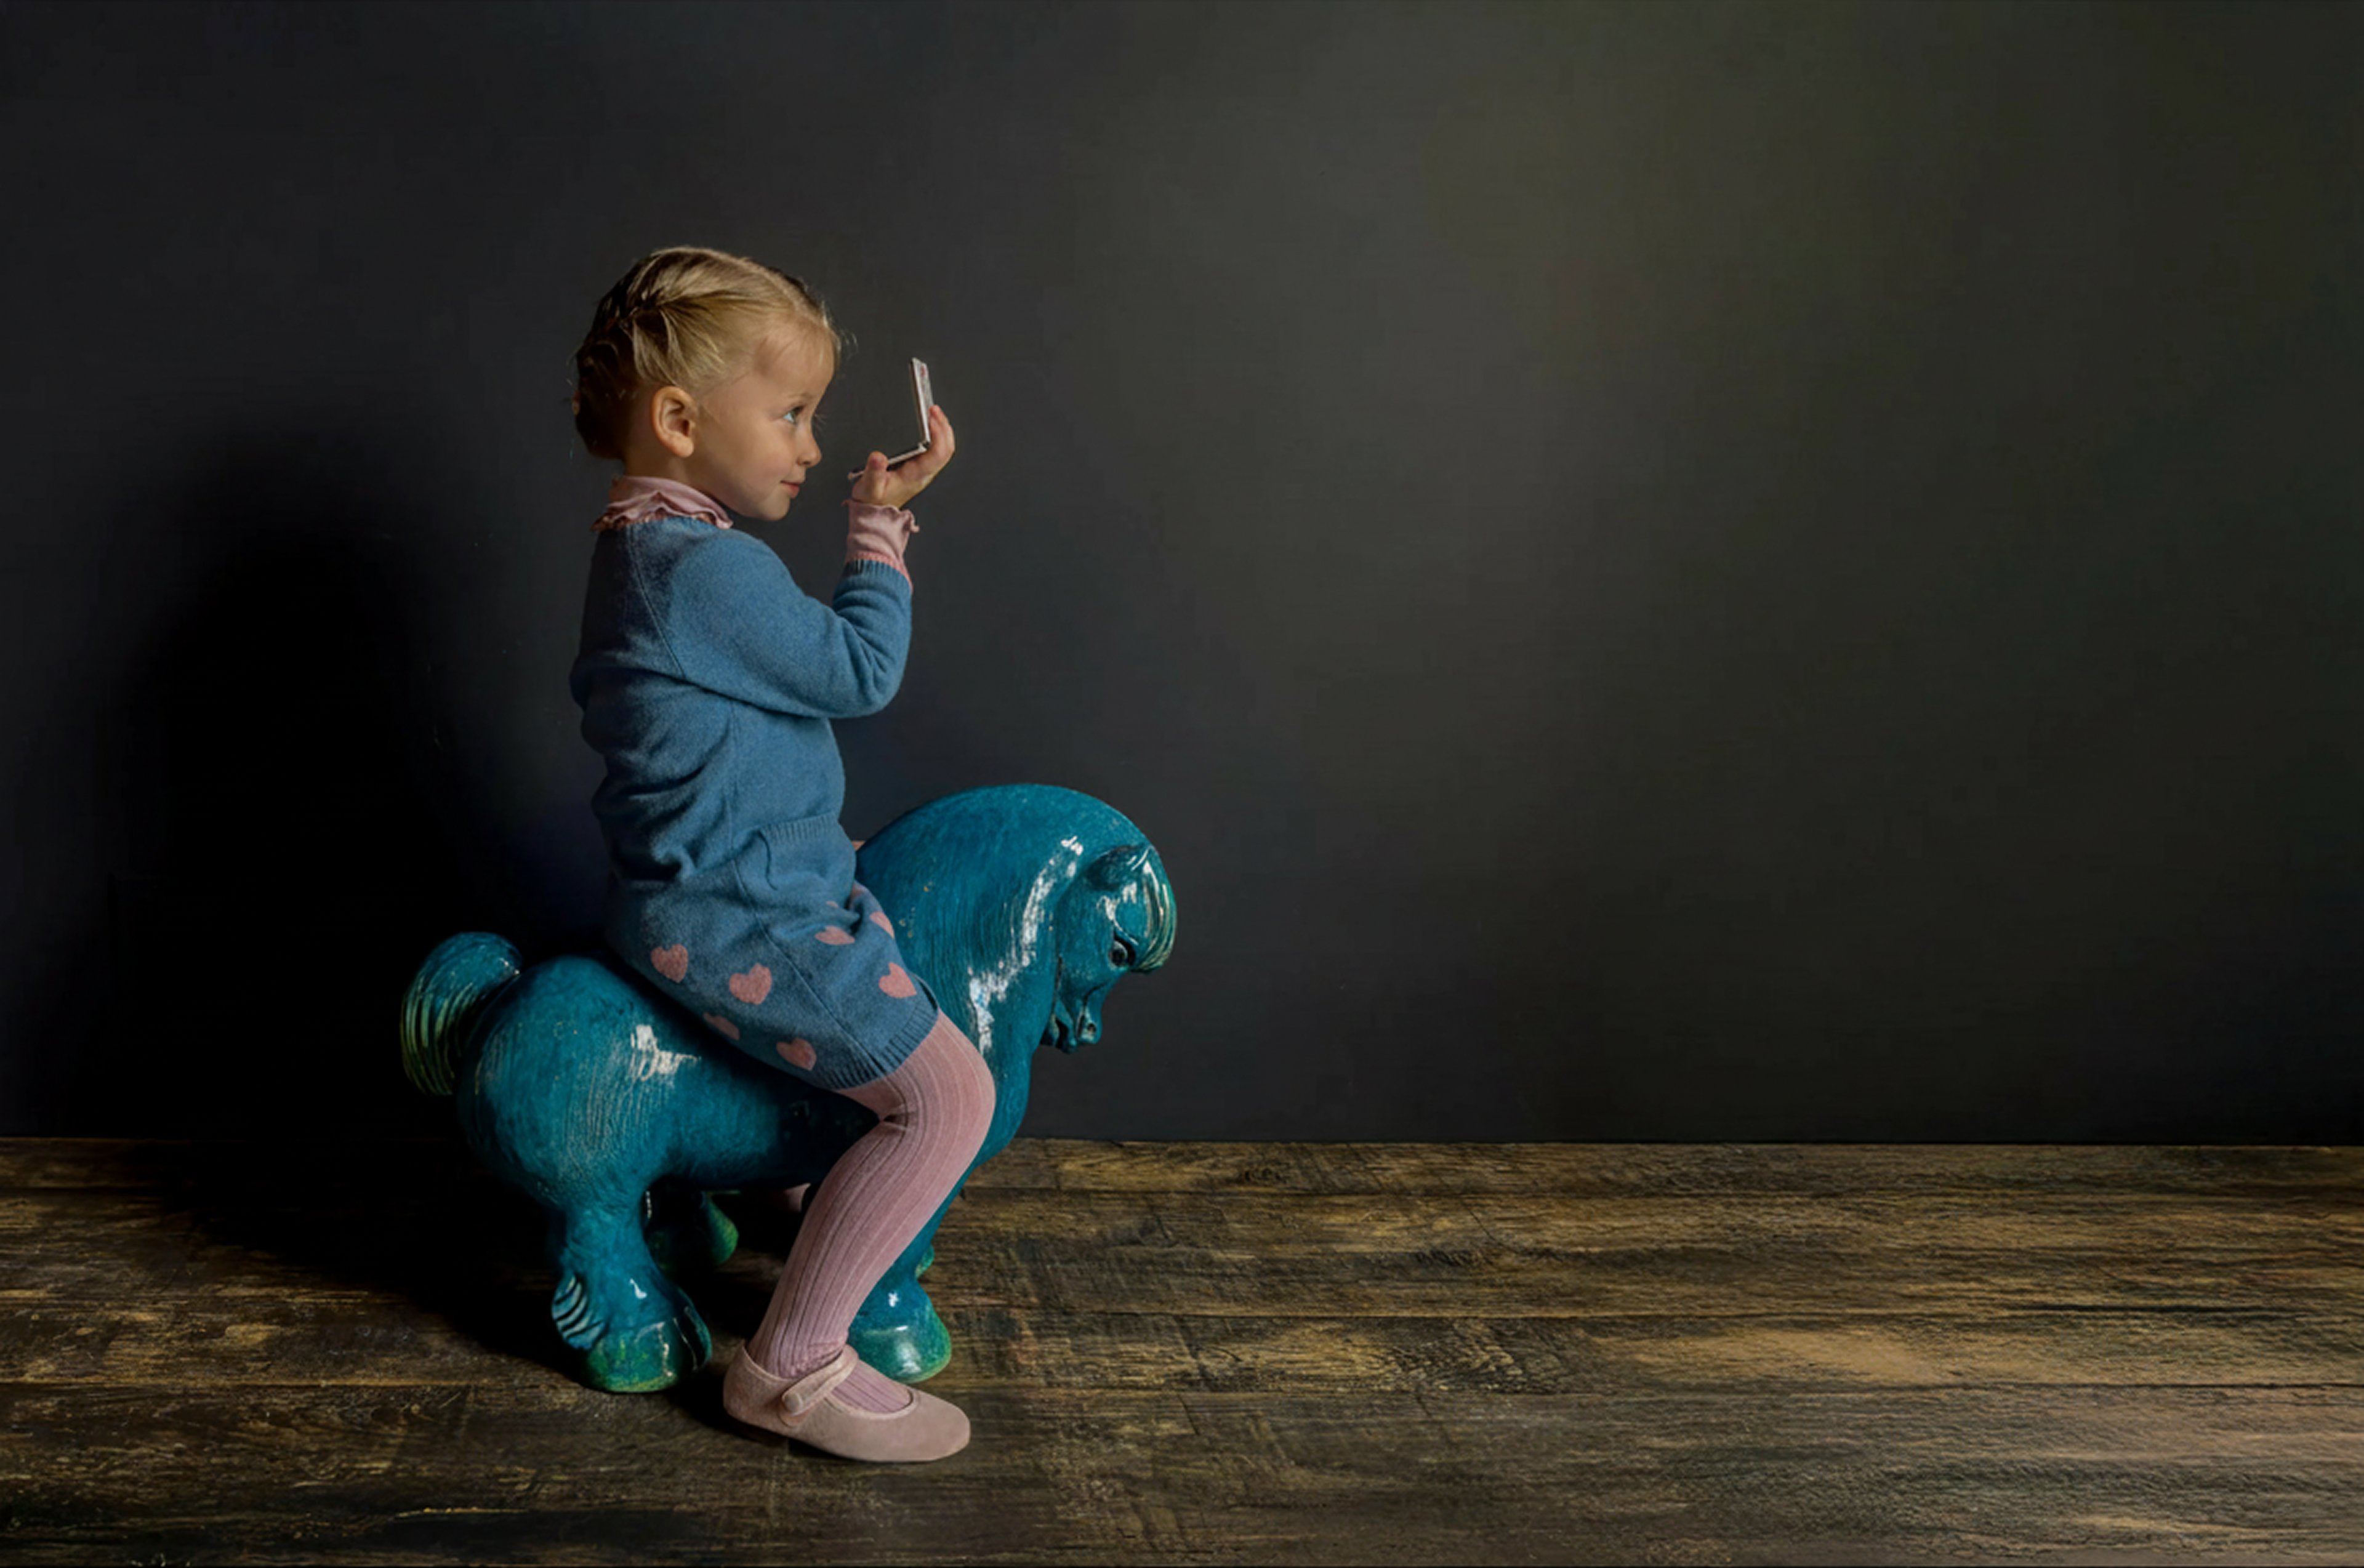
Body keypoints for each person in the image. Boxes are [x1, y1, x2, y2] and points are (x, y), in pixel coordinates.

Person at [566, 246, 991, 1461]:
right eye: (790, 412)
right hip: (737, 904)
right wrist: (879, 527)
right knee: (950, 1094)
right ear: (683, 419)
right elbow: (861, 672)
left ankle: (799, 1192)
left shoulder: (642, 547)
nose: (809, 444)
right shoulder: (703, 566)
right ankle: (792, 1363)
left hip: (727, 873)